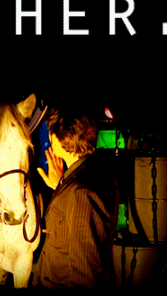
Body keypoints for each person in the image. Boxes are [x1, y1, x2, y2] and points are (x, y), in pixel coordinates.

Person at [32, 106, 119, 289]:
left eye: (51, 132)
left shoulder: (82, 193)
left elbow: (84, 273)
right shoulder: (96, 174)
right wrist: (60, 184)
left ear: (59, 138)